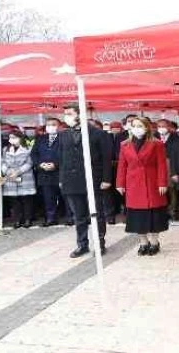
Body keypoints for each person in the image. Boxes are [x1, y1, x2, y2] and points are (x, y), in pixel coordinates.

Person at [59, 104, 114, 258]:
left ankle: (99, 243)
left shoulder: (98, 134)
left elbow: (106, 159)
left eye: (69, 113)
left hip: (93, 179)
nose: (66, 117)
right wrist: (62, 179)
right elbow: (62, 159)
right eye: (65, 114)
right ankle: (82, 244)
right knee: (78, 215)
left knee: (96, 213)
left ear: (79, 114)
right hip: (72, 180)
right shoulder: (63, 135)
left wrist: (106, 179)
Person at [116, 117, 169, 256]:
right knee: (137, 217)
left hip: (151, 183)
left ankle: (154, 242)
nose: (136, 128)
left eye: (140, 126)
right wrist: (119, 183)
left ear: (147, 127)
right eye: (134, 126)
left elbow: (162, 165)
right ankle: (143, 243)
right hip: (133, 184)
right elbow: (122, 165)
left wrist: (162, 183)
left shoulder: (156, 144)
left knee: (153, 216)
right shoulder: (125, 144)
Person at [31, 118, 63, 227]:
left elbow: (67, 154)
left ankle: (70, 217)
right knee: (48, 197)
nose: (50, 127)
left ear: (59, 126)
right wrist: (40, 164)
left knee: (65, 196)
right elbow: (34, 154)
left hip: (60, 172)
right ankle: (50, 218)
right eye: (48, 125)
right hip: (44, 173)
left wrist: (56, 164)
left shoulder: (64, 138)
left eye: (53, 124)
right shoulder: (40, 138)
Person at [2, 131, 37, 228]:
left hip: (25, 176)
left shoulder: (28, 149)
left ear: (20, 138)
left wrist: (18, 171)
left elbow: (29, 163)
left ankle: (27, 219)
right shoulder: (5, 149)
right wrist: (7, 171)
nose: (11, 139)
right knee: (14, 200)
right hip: (10, 177)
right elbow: (2, 162)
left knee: (26, 199)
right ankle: (17, 219)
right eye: (10, 137)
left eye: (14, 137)